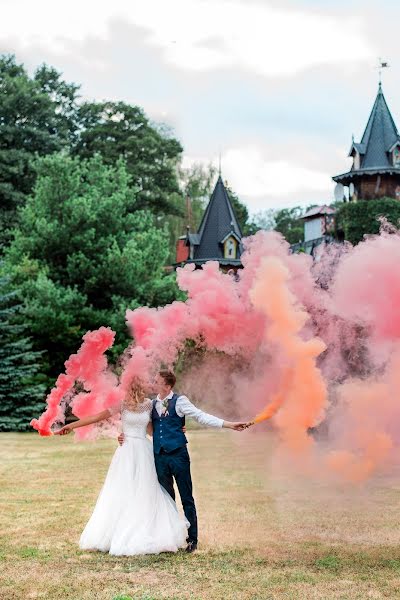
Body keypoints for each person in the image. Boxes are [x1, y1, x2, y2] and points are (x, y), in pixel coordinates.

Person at [118, 369, 248, 553]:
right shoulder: (151, 404)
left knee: (186, 497)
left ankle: (192, 539)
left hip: (178, 455)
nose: (153, 383)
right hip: (159, 457)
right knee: (166, 499)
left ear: (167, 385)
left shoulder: (180, 401)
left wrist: (228, 424)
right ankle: (171, 536)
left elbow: (200, 416)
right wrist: (124, 436)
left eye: (157, 381)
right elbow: (143, 426)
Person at [55, 379, 189, 556]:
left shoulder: (149, 404)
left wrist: (176, 430)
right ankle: (115, 532)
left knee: (146, 489)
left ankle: (146, 529)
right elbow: (97, 417)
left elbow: (151, 430)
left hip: (143, 449)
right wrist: (71, 425)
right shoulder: (122, 405)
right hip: (126, 451)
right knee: (122, 489)